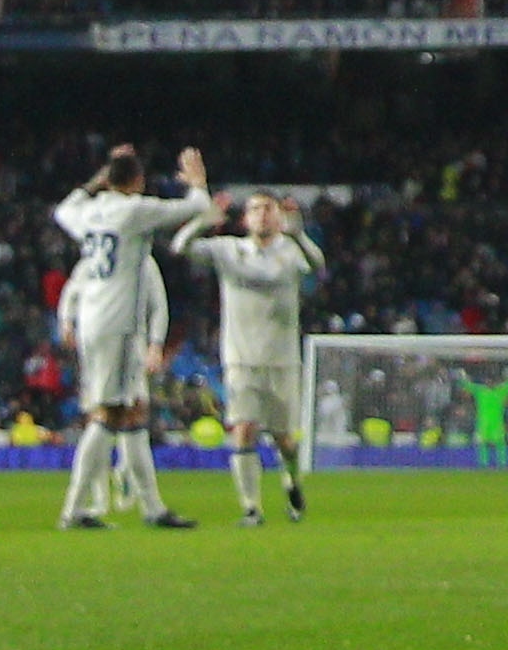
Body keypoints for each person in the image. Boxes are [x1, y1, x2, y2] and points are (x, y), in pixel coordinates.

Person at [53, 144, 215, 531]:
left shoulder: (88, 211)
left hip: (93, 319)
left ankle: (153, 508)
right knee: (109, 413)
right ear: (138, 181)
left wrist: (99, 178)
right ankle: (74, 510)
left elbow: (63, 209)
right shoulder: (133, 210)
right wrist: (197, 182)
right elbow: (195, 207)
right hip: (119, 323)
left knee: (134, 412)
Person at [177, 190, 319, 525]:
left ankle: (292, 481)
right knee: (243, 429)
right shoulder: (229, 249)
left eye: (268, 208)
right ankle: (251, 507)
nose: (262, 214)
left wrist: (299, 234)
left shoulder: (290, 251)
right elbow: (180, 247)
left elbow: (317, 265)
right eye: (255, 209)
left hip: (282, 358)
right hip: (240, 357)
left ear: (279, 216)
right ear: (245, 219)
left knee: (284, 438)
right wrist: (203, 220)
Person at [459, 362, 508, 467]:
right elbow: (467, 385)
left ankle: (502, 464)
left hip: (497, 422)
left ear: (495, 382)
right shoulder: (480, 390)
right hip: (483, 422)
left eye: (492, 381)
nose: (489, 383)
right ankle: (483, 464)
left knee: (500, 443)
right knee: (482, 443)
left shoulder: (500, 391)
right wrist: (463, 377)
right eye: (488, 381)